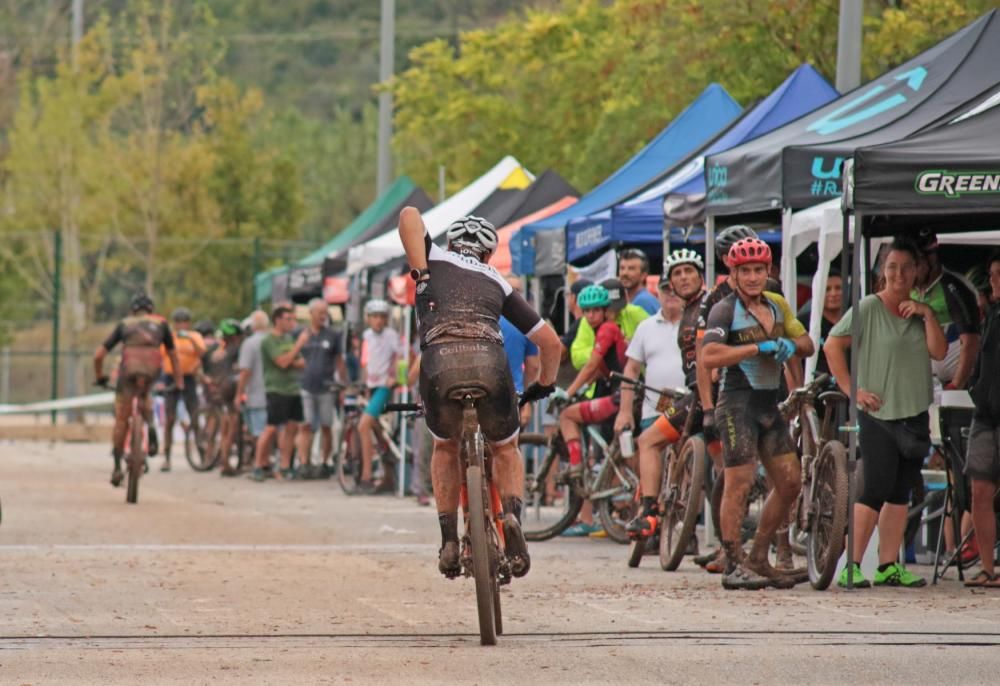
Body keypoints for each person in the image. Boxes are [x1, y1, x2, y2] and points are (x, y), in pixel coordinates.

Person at [398, 210, 561, 579]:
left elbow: (408, 215)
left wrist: (421, 273)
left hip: (440, 365)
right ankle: (513, 519)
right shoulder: (499, 282)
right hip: (491, 365)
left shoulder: (434, 256)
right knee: (505, 447)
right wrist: (544, 385)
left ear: (453, 244)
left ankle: (449, 540)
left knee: (444, 447)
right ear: (488, 255)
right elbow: (550, 343)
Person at [824, 238, 946, 589]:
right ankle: (853, 564)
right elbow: (833, 343)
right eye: (892, 267)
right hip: (879, 411)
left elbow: (938, 352)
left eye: (906, 268)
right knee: (875, 486)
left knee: (901, 490)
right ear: (882, 271)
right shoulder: (868, 307)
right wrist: (853, 389)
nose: (899, 274)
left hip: (914, 410)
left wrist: (927, 314)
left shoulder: (920, 310)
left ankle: (889, 565)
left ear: (917, 271)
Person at [701, 237, 814, 590]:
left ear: (769, 272)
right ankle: (734, 563)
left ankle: (759, 557)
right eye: (745, 271)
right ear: (732, 274)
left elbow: (809, 343)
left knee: (791, 481)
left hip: (769, 405)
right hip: (737, 405)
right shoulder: (724, 309)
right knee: (740, 482)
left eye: (759, 270)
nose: (752, 277)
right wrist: (754, 347)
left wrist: (790, 344)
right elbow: (709, 356)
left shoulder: (778, 305)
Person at [616, 249, 714, 540]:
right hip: (657, 405)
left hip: (698, 398)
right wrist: (624, 411)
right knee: (648, 448)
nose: (674, 290)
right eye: (669, 286)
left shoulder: (701, 313)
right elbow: (631, 369)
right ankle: (649, 512)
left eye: (687, 274)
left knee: (700, 470)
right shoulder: (648, 326)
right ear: (659, 291)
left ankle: (689, 532)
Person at [94, 292, 181, 486]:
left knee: (122, 418)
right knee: (145, 394)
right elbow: (174, 356)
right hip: (152, 370)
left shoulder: (125, 324)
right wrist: (178, 382)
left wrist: (100, 377)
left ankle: (117, 467)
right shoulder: (161, 324)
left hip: (128, 371)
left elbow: (98, 355)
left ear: (132, 310)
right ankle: (150, 426)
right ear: (151, 310)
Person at [964, 254, 1000, 587]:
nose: (994, 282)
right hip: (986, 414)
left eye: (999, 276)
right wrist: (976, 389)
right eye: (991, 276)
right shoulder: (990, 314)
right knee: (979, 489)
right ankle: (988, 567)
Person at [912, 229, 980, 390]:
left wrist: (956, 384)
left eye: (916, 263)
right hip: (922, 379)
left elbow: (970, 341)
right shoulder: (907, 285)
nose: (911, 270)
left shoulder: (954, 286)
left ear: (931, 258)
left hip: (958, 380)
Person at [296, 298, 348, 479]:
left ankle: (325, 462)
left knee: (327, 425)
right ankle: (304, 462)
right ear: (311, 314)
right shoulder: (301, 334)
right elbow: (292, 358)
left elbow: (340, 361)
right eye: (320, 313)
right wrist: (299, 344)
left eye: (325, 313)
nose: (323, 316)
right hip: (306, 386)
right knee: (306, 425)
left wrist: (342, 385)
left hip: (326, 387)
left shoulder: (333, 335)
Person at [253, 304, 307, 481]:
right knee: (271, 427)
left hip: (293, 388)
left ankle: (285, 465)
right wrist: (297, 347)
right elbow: (282, 362)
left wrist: (290, 356)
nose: (292, 322)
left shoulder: (288, 339)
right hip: (276, 389)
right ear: (277, 320)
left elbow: (301, 363)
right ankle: (258, 465)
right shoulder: (269, 341)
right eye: (288, 319)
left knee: (292, 427)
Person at [357, 298, 404, 494]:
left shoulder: (391, 335)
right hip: (372, 385)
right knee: (375, 428)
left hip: (385, 386)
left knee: (363, 425)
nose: (377, 320)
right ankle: (387, 469)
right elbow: (366, 360)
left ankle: (366, 475)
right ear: (368, 318)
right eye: (374, 316)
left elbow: (402, 356)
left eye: (381, 317)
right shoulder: (366, 335)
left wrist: (394, 377)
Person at [158, 307, 206, 472]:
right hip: (171, 377)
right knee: (170, 418)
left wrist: (190, 340)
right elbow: (161, 356)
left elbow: (202, 353)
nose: (181, 325)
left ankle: (202, 455)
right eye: (178, 322)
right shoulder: (169, 338)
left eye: (184, 322)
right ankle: (167, 457)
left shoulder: (195, 337)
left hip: (188, 378)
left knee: (194, 415)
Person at [569, 277, 648, 371]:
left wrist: (632, 347)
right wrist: (602, 350)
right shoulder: (587, 320)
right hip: (600, 380)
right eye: (609, 308)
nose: (612, 313)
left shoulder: (635, 312)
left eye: (617, 307)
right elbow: (576, 357)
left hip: (636, 375)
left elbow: (655, 341)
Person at [201, 318, 244, 476]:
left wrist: (207, 380)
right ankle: (225, 462)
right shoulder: (235, 349)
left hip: (213, 389)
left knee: (214, 424)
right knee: (229, 427)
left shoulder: (211, 349)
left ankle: (208, 456)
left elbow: (201, 369)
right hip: (228, 388)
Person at [501, 275, 540, 428]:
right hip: (513, 397)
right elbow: (533, 366)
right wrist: (526, 402)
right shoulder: (526, 324)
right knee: (508, 448)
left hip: (481, 395)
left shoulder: (485, 318)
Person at [796, 272, 844, 376]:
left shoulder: (852, 320)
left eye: (838, 288)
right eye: (827, 289)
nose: (833, 293)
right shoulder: (803, 322)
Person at [235, 311, 270, 450]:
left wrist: (239, 394)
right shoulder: (272, 339)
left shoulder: (249, 344)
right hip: (273, 393)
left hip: (256, 395)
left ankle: (260, 463)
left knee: (259, 433)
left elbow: (245, 371)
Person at [618, 247, 659, 315]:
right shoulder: (636, 300)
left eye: (631, 269)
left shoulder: (643, 301)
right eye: (622, 268)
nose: (625, 273)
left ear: (643, 275)